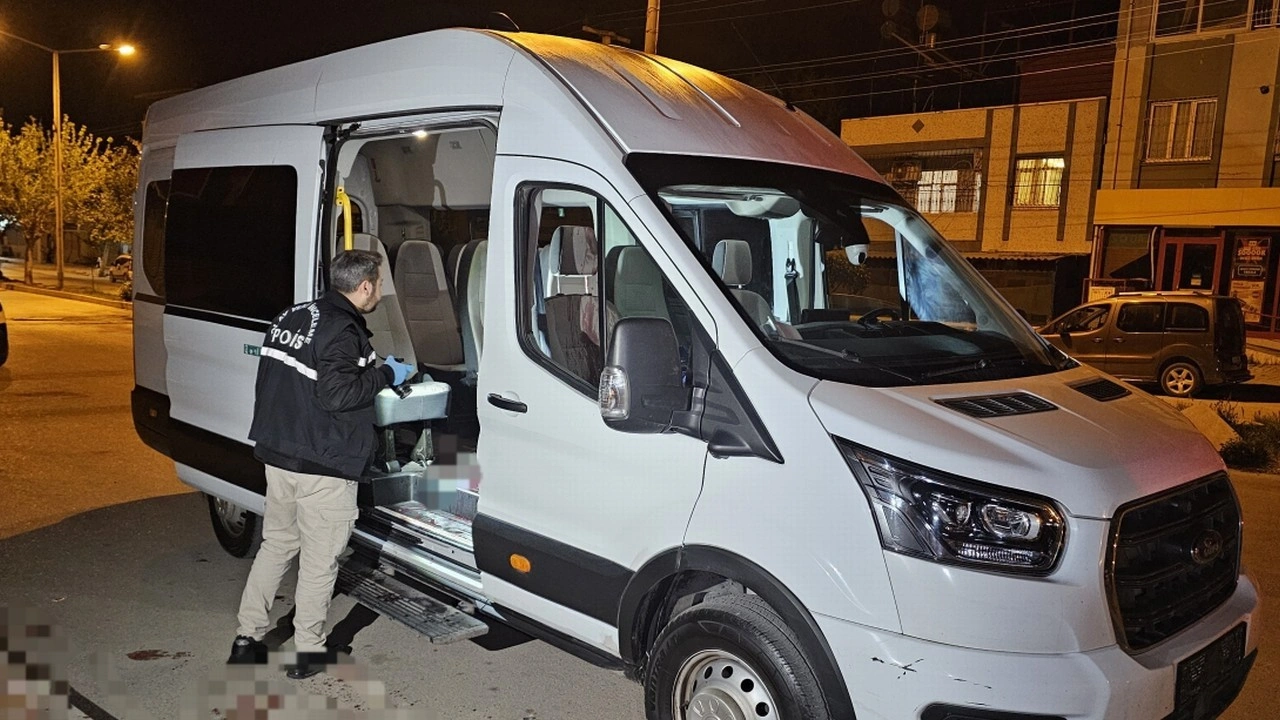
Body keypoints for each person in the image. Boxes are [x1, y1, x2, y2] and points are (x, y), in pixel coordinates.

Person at [226, 249, 415, 679]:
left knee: (276, 546)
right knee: (318, 562)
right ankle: (309, 651)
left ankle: (246, 640)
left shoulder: (292, 315)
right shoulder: (343, 329)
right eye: (379, 285)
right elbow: (338, 395)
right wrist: (388, 375)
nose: (380, 292)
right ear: (364, 286)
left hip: (280, 453)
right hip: (322, 463)